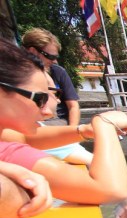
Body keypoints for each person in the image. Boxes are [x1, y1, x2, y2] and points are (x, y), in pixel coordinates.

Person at [0, 38, 127, 218]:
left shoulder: (6, 135)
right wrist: (105, 124)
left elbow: (24, 138)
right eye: (39, 99)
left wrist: (83, 130)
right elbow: (110, 189)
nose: (46, 111)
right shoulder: (6, 151)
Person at [21, 28, 90, 164]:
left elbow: (73, 106)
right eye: (50, 57)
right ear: (33, 51)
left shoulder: (57, 72)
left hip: (57, 123)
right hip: (36, 127)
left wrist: (73, 132)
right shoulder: (19, 74)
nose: (54, 61)